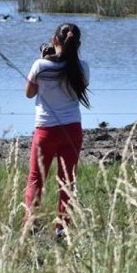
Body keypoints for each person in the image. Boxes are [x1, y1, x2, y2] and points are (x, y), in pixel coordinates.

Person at [24, 23, 90, 238]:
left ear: (54, 41)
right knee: (67, 180)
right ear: (78, 44)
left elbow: (29, 93)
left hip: (45, 129)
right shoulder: (83, 68)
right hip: (72, 129)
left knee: (36, 178)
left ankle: (31, 223)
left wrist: (44, 58)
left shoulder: (40, 66)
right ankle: (62, 228)